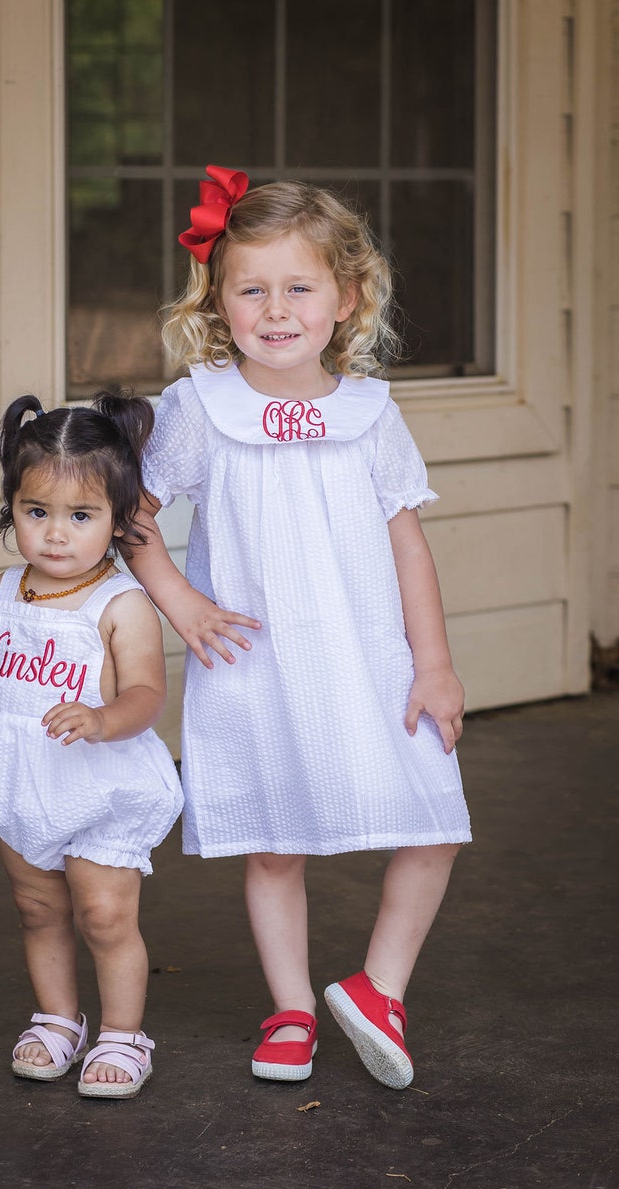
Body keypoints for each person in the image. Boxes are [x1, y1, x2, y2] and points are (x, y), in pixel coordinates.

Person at [127, 165, 471, 1091]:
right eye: (252, 288)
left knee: (433, 818)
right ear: (220, 300)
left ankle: (378, 988)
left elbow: (408, 546)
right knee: (275, 841)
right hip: (258, 661)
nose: (275, 309)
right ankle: (288, 1006)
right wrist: (183, 604)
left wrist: (433, 663)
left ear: (346, 296)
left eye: (299, 286)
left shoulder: (370, 413)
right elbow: (135, 517)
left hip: (367, 657)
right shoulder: (200, 407)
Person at [0, 391, 183, 1099]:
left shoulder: (120, 604)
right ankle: (59, 1019)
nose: (55, 535)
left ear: (120, 519)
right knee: (38, 907)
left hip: (97, 781)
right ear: (14, 507)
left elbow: (148, 694)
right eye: (38, 513)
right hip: (24, 775)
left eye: (81, 516)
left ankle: (124, 1033)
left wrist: (101, 718)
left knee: (102, 911)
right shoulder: (9, 585)